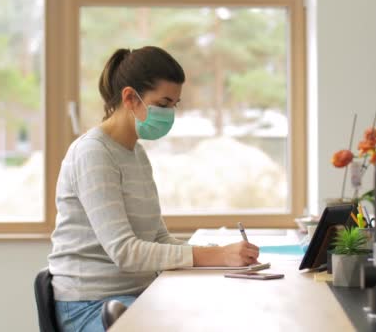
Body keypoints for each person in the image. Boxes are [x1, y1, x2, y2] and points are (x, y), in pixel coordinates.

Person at [48, 46, 260, 332]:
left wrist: (219, 254)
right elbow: (125, 251)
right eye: (163, 103)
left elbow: (157, 237)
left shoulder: (136, 153)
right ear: (130, 98)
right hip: (90, 305)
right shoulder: (93, 154)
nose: (170, 113)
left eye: (174, 104)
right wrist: (216, 256)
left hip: (136, 296)